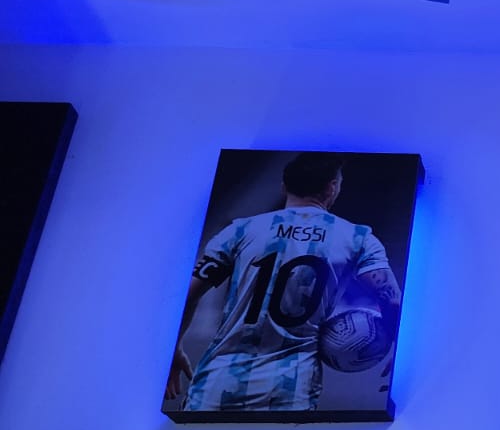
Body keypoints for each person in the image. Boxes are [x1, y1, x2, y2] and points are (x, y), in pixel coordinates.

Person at [165, 152, 402, 412]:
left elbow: (189, 295)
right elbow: (390, 297)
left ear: (284, 186)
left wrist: (174, 348)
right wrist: (394, 346)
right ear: (332, 187)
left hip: (217, 384)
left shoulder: (241, 229)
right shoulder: (358, 237)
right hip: (291, 390)